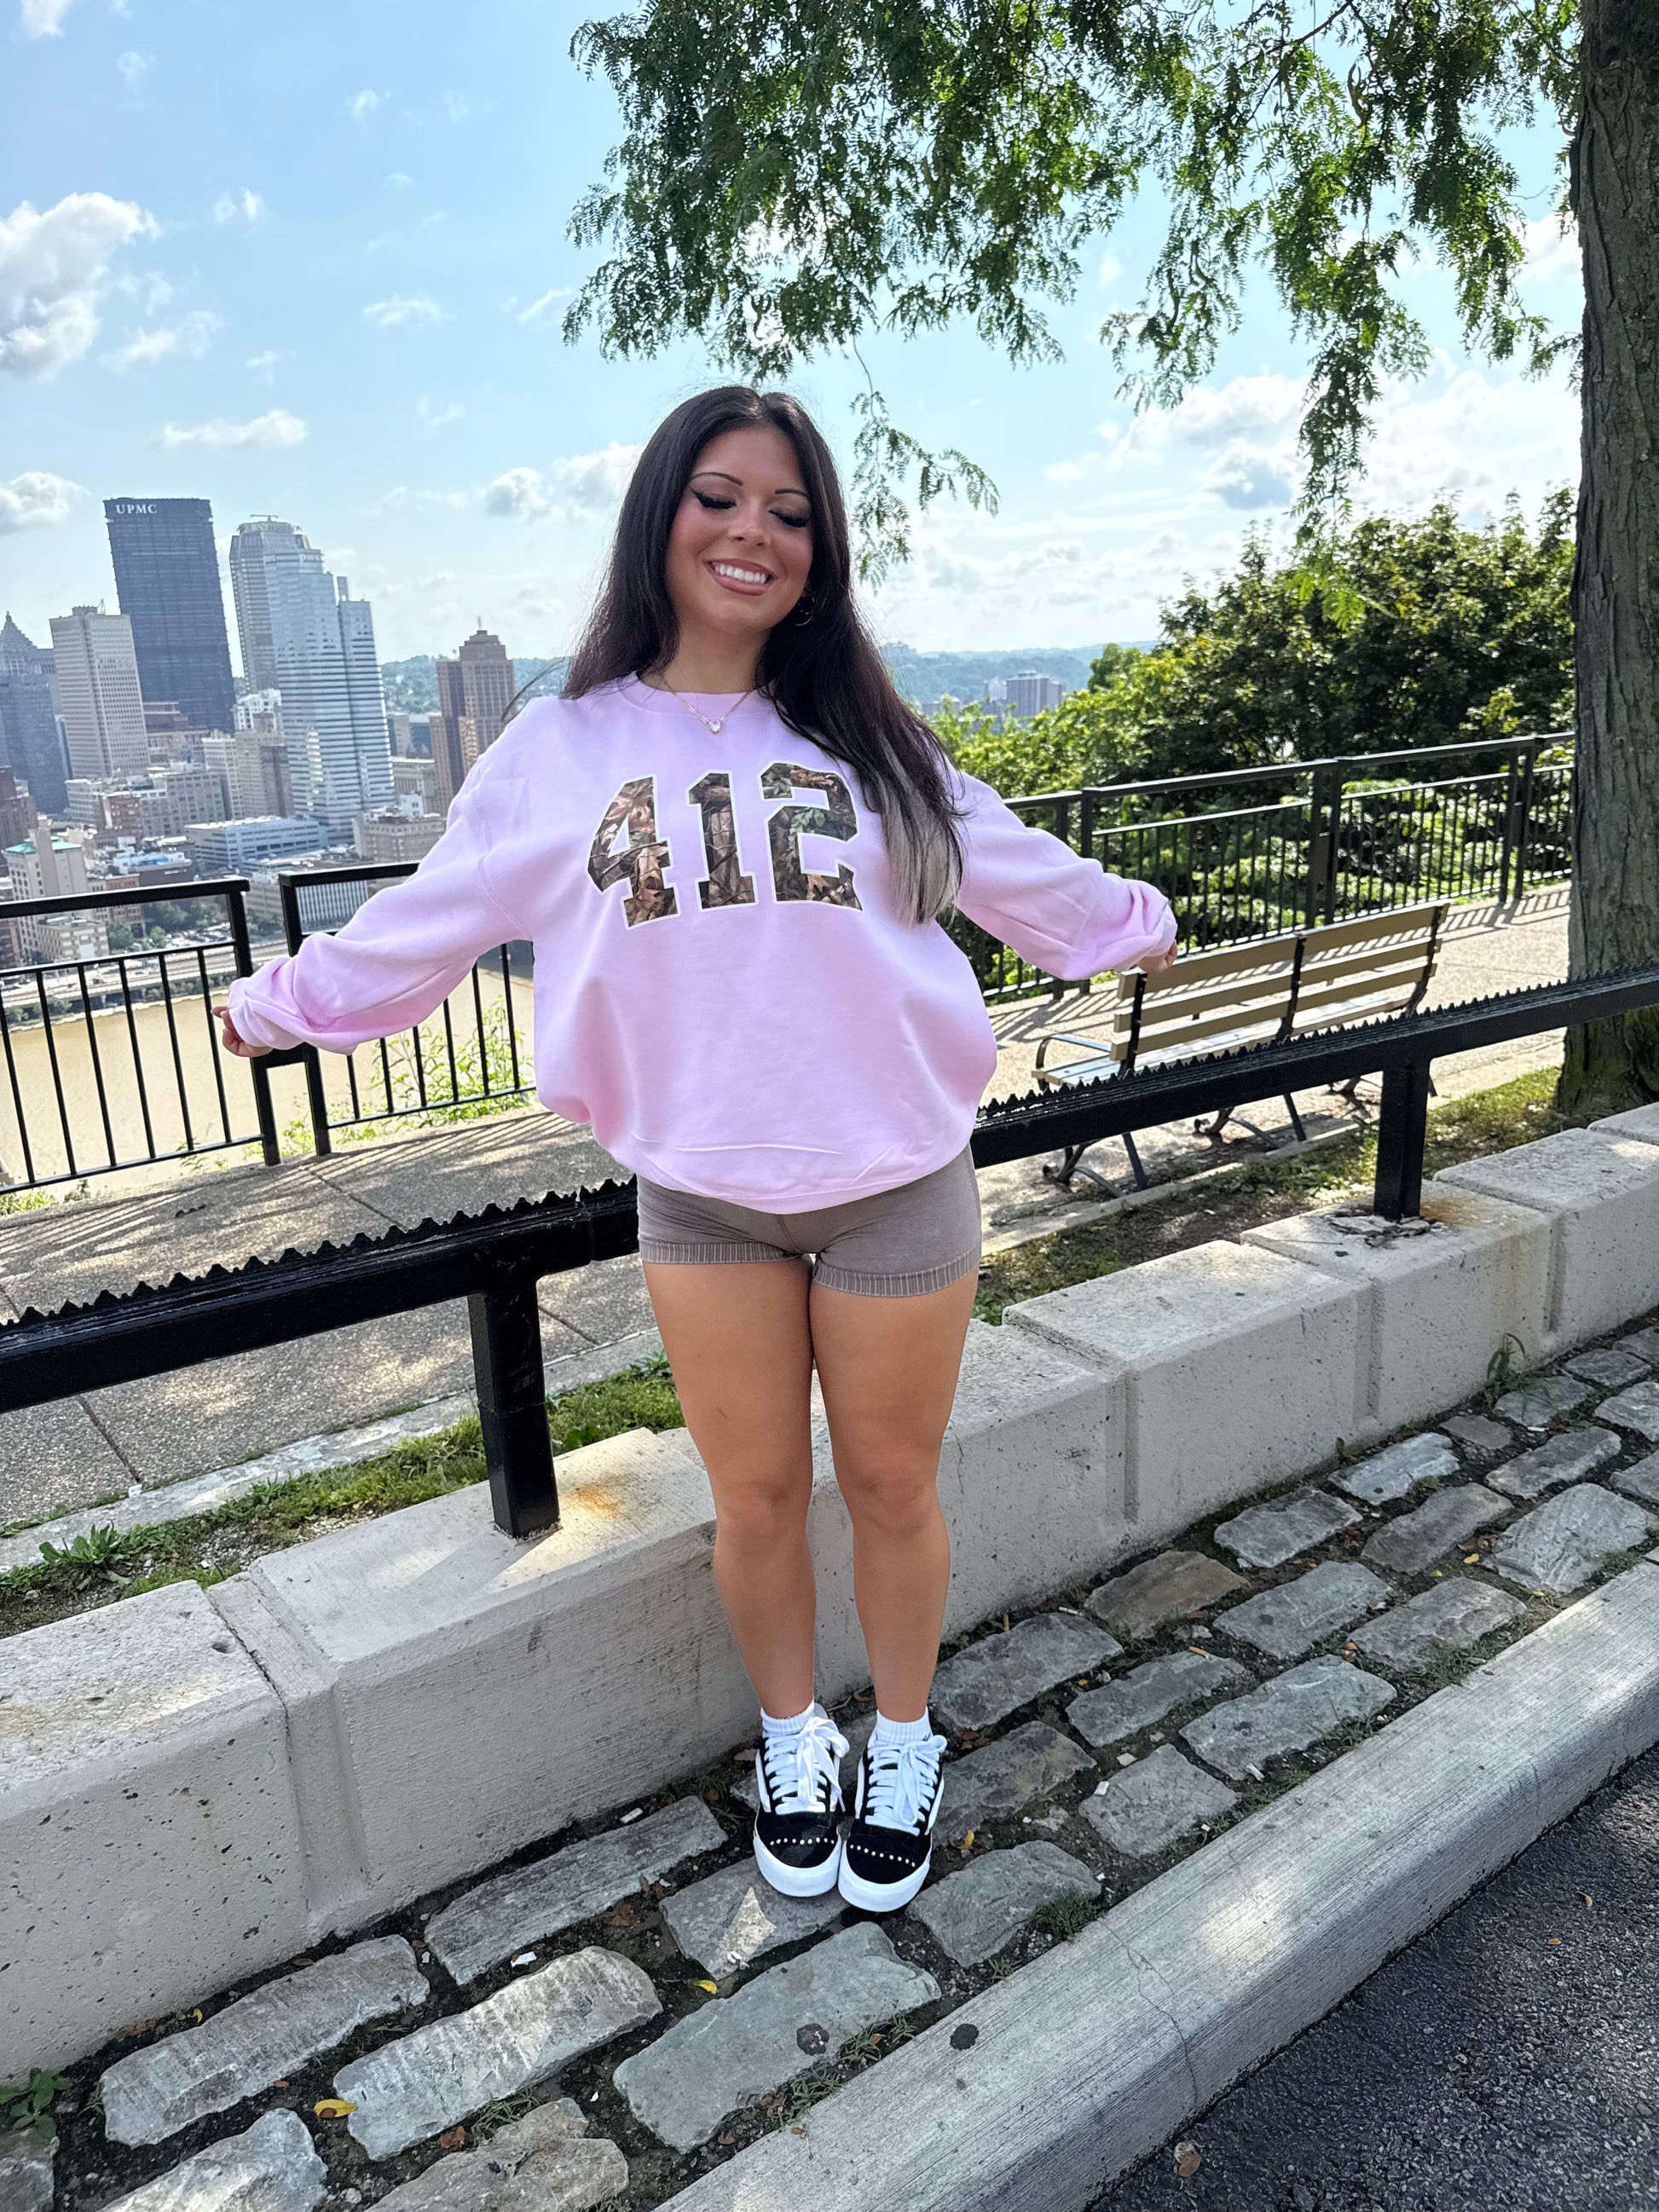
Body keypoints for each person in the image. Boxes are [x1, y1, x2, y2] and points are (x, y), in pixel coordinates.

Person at [217, 384, 1176, 1915]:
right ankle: (792, 1740)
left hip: (895, 1182)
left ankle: (904, 1741)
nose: (752, 534)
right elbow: (430, 918)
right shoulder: (559, 745)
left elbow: (1012, 869)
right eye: (719, 497)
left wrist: (1134, 924)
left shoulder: (868, 733)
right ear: (658, 515)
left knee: (891, 1487)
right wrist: (279, 1006)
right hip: (704, 1195)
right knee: (755, 1500)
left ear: (821, 550)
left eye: (790, 513)